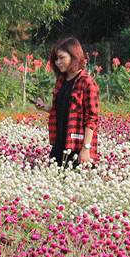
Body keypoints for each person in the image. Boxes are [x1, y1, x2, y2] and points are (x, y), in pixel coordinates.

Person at [33, 38, 100, 167]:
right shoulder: (61, 81)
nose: (58, 63)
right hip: (59, 143)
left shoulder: (87, 82)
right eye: (56, 60)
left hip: (77, 146)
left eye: (62, 58)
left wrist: (86, 149)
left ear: (74, 56)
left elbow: (92, 119)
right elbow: (63, 109)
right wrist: (45, 107)